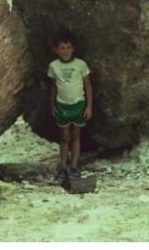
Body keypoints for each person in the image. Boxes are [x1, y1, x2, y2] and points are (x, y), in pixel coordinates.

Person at [47, 29, 92, 182]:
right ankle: (63, 166)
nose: (65, 51)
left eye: (68, 47)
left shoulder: (80, 64)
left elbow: (88, 86)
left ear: (73, 49)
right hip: (62, 106)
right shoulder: (54, 66)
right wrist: (52, 105)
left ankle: (74, 166)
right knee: (64, 137)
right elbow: (53, 86)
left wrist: (89, 106)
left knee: (76, 136)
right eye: (62, 48)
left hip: (78, 105)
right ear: (56, 50)